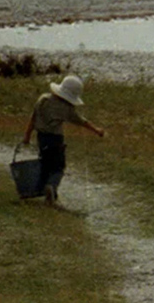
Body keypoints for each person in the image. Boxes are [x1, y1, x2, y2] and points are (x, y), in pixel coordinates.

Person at [22, 75, 105, 206]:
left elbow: (33, 118)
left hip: (41, 138)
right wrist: (97, 130)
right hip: (55, 139)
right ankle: (52, 187)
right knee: (58, 167)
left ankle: (44, 191)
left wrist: (27, 135)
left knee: (45, 164)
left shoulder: (42, 99)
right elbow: (82, 121)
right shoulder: (66, 109)